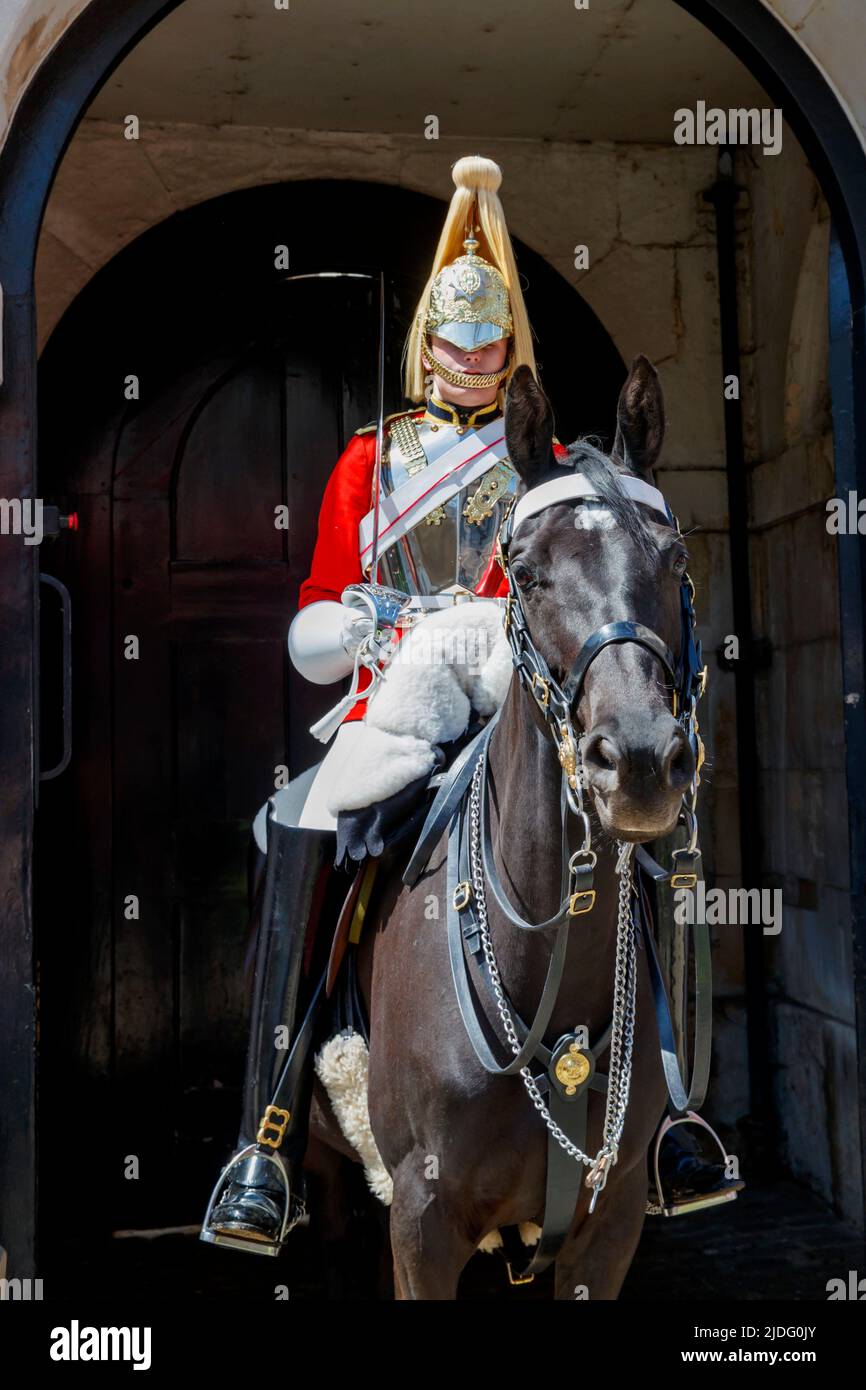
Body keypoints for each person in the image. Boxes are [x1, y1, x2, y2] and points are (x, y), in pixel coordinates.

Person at [201, 155, 737, 1258]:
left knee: (640, 848)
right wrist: (364, 625)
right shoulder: (371, 459)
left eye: (491, 344)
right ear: (426, 344)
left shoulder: (539, 469)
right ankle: (266, 1134)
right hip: (393, 708)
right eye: (455, 342)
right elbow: (310, 617)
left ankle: (673, 1107)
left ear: (510, 350)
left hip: (507, 699)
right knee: (299, 825)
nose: (472, 360)